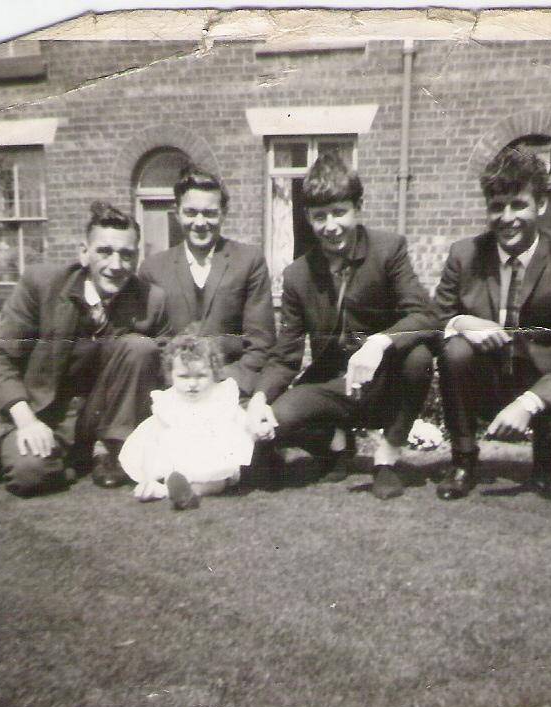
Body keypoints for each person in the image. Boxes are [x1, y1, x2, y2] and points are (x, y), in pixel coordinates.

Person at [247, 152, 439, 500]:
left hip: (382, 380)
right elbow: (286, 355)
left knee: (419, 357)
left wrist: (379, 343)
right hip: (331, 386)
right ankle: (336, 443)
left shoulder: (388, 249)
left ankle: (386, 460)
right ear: (307, 217)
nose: (330, 226)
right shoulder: (297, 275)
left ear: (357, 207)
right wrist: (259, 399)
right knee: (277, 419)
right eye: (319, 216)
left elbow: (426, 316)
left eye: (339, 212)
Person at [433, 145, 551, 501]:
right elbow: (433, 320)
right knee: (455, 350)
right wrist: (463, 321)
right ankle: (463, 461)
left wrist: (529, 403)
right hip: (485, 381)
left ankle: (546, 465)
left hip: (543, 385)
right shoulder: (464, 255)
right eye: (497, 207)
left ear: (540, 205)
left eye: (518, 205)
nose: (507, 218)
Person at [0, 202, 169, 496]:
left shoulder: (151, 300)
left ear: (136, 258)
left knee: (140, 348)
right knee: (28, 475)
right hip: (43, 415)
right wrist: (27, 421)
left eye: (126, 254)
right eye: (104, 252)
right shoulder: (41, 285)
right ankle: (77, 460)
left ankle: (109, 449)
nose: (115, 265)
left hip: (103, 420)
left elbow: (162, 372)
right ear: (84, 252)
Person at [138, 166, 275, 397]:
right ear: (177, 212)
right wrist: (179, 384)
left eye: (210, 213)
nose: (200, 223)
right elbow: (151, 345)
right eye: (191, 212)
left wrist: (226, 385)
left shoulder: (249, 261)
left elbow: (260, 341)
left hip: (232, 390)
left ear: (223, 212)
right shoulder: (153, 268)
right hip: (173, 391)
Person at [118, 326, 255, 511]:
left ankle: (174, 492)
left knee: (218, 478)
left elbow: (241, 424)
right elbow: (153, 439)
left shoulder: (221, 397)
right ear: (171, 375)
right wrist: (148, 477)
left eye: (201, 376)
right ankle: (167, 488)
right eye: (183, 377)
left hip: (211, 458)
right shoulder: (169, 401)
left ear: (214, 373)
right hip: (178, 459)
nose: (192, 384)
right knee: (168, 468)